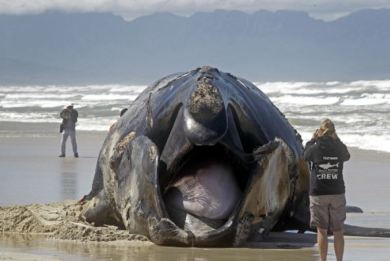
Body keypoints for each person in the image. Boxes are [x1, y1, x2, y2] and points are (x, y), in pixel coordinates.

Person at [304, 119, 350, 261]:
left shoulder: (315, 147)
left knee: (322, 231)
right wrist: (338, 140)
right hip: (337, 192)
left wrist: (312, 140)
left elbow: (305, 155)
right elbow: (347, 155)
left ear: (320, 131)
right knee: (338, 231)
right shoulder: (338, 148)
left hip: (318, 193)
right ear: (334, 132)